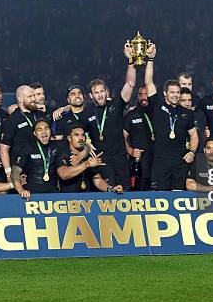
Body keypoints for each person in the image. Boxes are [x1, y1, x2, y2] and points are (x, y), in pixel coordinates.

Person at [142, 45, 198, 191]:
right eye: (172, 92)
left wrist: (192, 152)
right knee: (158, 197)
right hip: (160, 162)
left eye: (178, 92)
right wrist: (151, 59)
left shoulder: (187, 113)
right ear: (165, 93)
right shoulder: (157, 106)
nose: (175, 95)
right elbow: (148, 82)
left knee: (178, 196)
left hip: (180, 163)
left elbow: (194, 135)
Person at [85, 44, 136, 190]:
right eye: (96, 92)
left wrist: (130, 60)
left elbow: (130, 83)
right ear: (91, 95)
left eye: (102, 91)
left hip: (120, 158)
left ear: (106, 92)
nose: (100, 95)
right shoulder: (88, 113)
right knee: (107, 196)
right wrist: (86, 144)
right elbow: (78, 134)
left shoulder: (116, 104)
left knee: (125, 192)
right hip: (102, 160)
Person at [56, 125, 123, 193]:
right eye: (76, 135)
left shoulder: (87, 155)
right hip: (68, 199)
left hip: (87, 199)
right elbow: (64, 174)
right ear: (69, 138)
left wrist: (110, 189)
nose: (81, 138)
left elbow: (97, 180)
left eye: (83, 135)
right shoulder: (63, 154)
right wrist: (87, 164)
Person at [12, 119, 61, 198]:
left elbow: (83, 145)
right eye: (39, 130)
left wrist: (80, 155)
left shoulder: (57, 146)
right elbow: (15, 171)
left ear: (50, 131)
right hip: (31, 192)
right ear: (35, 133)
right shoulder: (27, 148)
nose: (44, 132)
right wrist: (20, 190)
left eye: (46, 128)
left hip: (52, 191)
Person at [0, 85, 37, 183]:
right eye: (29, 97)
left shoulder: (40, 114)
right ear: (20, 99)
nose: (33, 99)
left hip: (40, 167)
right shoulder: (11, 120)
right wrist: (9, 174)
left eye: (34, 96)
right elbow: (3, 149)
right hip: (21, 169)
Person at [123, 84, 154, 191]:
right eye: (140, 94)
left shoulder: (158, 113)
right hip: (139, 165)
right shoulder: (131, 115)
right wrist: (130, 150)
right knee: (138, 194)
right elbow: (122, 137)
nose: (143, 97)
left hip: (158, 164)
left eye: (146, 94)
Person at [179, 87, 206, 153]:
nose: (187, 104)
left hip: (197, 154)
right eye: (183, 100)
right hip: (178, 155)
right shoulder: (173, 116)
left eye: (189, 100)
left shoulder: (199, 114)